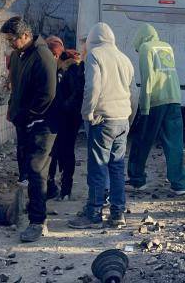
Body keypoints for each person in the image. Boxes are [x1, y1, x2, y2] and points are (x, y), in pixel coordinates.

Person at [68, 23, 134, 229]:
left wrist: (87, 113)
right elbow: (132, 87)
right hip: (122, 119)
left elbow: (93, 86)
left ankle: (94, 212)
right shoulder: (124, 58)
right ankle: (118, 213)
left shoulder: (95, 55)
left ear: (92, 40)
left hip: (102, 120)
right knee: (117, 167)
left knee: (97, 167)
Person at [1, 16, 58, 243]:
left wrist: (33, 115)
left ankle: (37, 222)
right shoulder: (18, 55)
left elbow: (48, 94)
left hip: (42, 123)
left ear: (25, 36)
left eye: (12, 39)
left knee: (36, 169)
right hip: (24, 122)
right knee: (29, 168)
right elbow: (16, 87)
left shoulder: (42, 56)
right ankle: (46, 193)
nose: (9, 44)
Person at [126, 24, 185, 195]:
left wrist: (144, 107)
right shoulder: (166, 46)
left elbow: (148, 78)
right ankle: (179, 184)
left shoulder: (146, 48)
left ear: (140, 37)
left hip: (156, 101)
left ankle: (137, 180)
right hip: (174, 99)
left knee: (142, 139)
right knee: (174, 143)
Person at [47, 48, 85, 200]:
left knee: (58, 152)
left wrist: (62, 107)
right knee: (68, 152)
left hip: (64, 118)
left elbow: (72, 95)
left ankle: (62, 189)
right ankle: (65, 190)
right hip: (74, 119)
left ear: (63, 60)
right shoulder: (79, 70)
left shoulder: (69, 72)